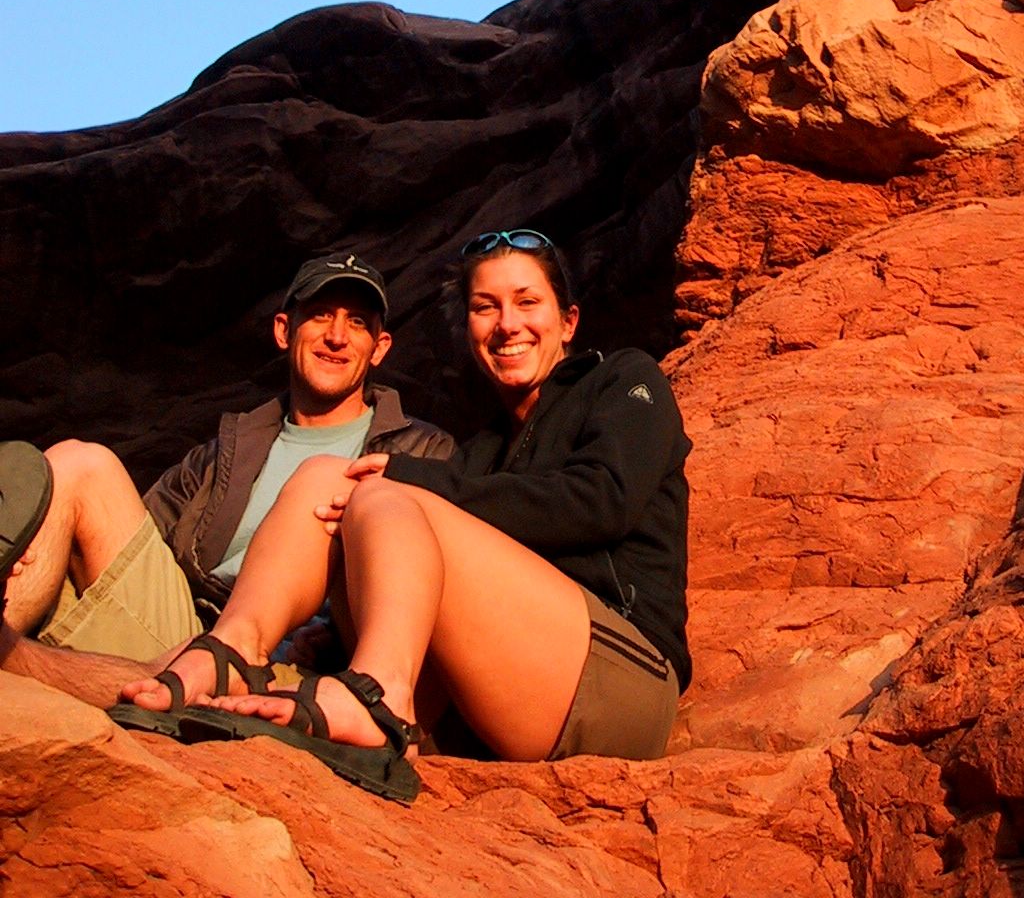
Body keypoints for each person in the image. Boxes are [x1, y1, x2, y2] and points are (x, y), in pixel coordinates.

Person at [116, 229, 691, 799]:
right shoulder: (484, 452)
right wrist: (334, 636)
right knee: (328, 474)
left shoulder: (622, 380)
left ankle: (380, 699)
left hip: (618, 681)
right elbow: (452, 588)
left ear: (567, 322)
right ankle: (233, 650)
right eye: (485, 307)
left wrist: (411, 477)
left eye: (527, 302)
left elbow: (603, 501)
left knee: (381, 491)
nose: (507, 324)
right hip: (504, 694)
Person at [0, 252, 453, 704]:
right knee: (79, 463)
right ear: (284, 330)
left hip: (294, 660)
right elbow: (138, 543)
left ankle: (63, 668)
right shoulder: (226, 450)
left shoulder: (421, 452)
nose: (336, 336)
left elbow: (432, 590)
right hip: (191, 626)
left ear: (380, 347)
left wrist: (334, 635)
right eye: (319, 315)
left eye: (357, 322)